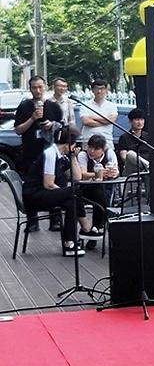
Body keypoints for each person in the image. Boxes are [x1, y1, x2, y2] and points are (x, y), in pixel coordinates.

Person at [22, 127, 95, 257]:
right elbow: (48, 184)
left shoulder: (62, 156)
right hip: (34, 195)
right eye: (75, 143)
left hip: (44, 193)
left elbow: (76, 177)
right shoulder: (50, 154)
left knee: (71, 200)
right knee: (73, 192)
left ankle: (70, 244)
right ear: (69, 143)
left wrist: (73, 157)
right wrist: (65, 192)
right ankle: (86, 228)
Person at [14, 75, 63, 233]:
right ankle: (32, 221)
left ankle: (55, 218)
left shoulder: (53, 106)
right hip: (30, 153)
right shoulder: (24, 107)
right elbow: (18, 130)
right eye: (34, 87)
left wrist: (51, 125)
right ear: (30, 89)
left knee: (53, 184)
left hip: (49, 153)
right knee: (30, 187)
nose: (38, 90)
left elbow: (62, 129)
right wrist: (32, 118)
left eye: (40, 87)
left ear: (45, 87)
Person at [77, 134, 119, 249]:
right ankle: (105, 217)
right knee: (98, 190)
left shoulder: (110, 153)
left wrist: (114, 173)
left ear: (103, 149)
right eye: (90, 147)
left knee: (101, 194)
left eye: (96, 149)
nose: (91, 151)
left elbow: (116, 171)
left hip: (106, 190)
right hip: (86, 189)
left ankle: (95, 229)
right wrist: (99, 173)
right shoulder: (83, 155)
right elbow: (83, 174)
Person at [80, 79, 117, 150]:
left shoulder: (112, 106)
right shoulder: (85, 105)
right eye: (97, 89)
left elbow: (111, 120)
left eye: (102, 89)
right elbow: (86, 122)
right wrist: (105, 122)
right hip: (88, 141)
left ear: (106, 90)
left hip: (107, 141)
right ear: (92, 90)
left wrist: (93, 117)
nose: (99, 91)